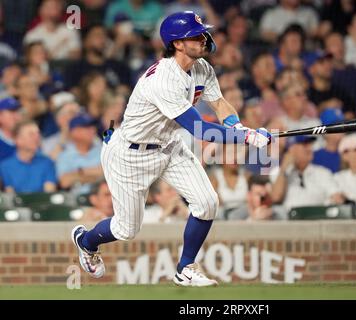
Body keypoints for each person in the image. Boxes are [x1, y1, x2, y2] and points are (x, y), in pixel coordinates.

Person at [71, 11, 271, 286]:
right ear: (177, 43)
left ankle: (186, 267)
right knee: (126, 229)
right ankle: (86, 241)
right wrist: (247, 138)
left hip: (169, 146)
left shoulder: (202, 68)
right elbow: (201, 130)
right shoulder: (163, 79)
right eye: (196, 35)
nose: (204, 39)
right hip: (131, 154)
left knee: (207, 203)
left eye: (203, 33)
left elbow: (221, 105)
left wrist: (238, 127)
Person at [0, 120, 57, 193]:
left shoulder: (47, 163)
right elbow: (10, 196)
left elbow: (49, 193)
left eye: (38, 133)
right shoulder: (5, 166)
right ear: (18, 140)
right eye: (31, 134)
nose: (37, 137)